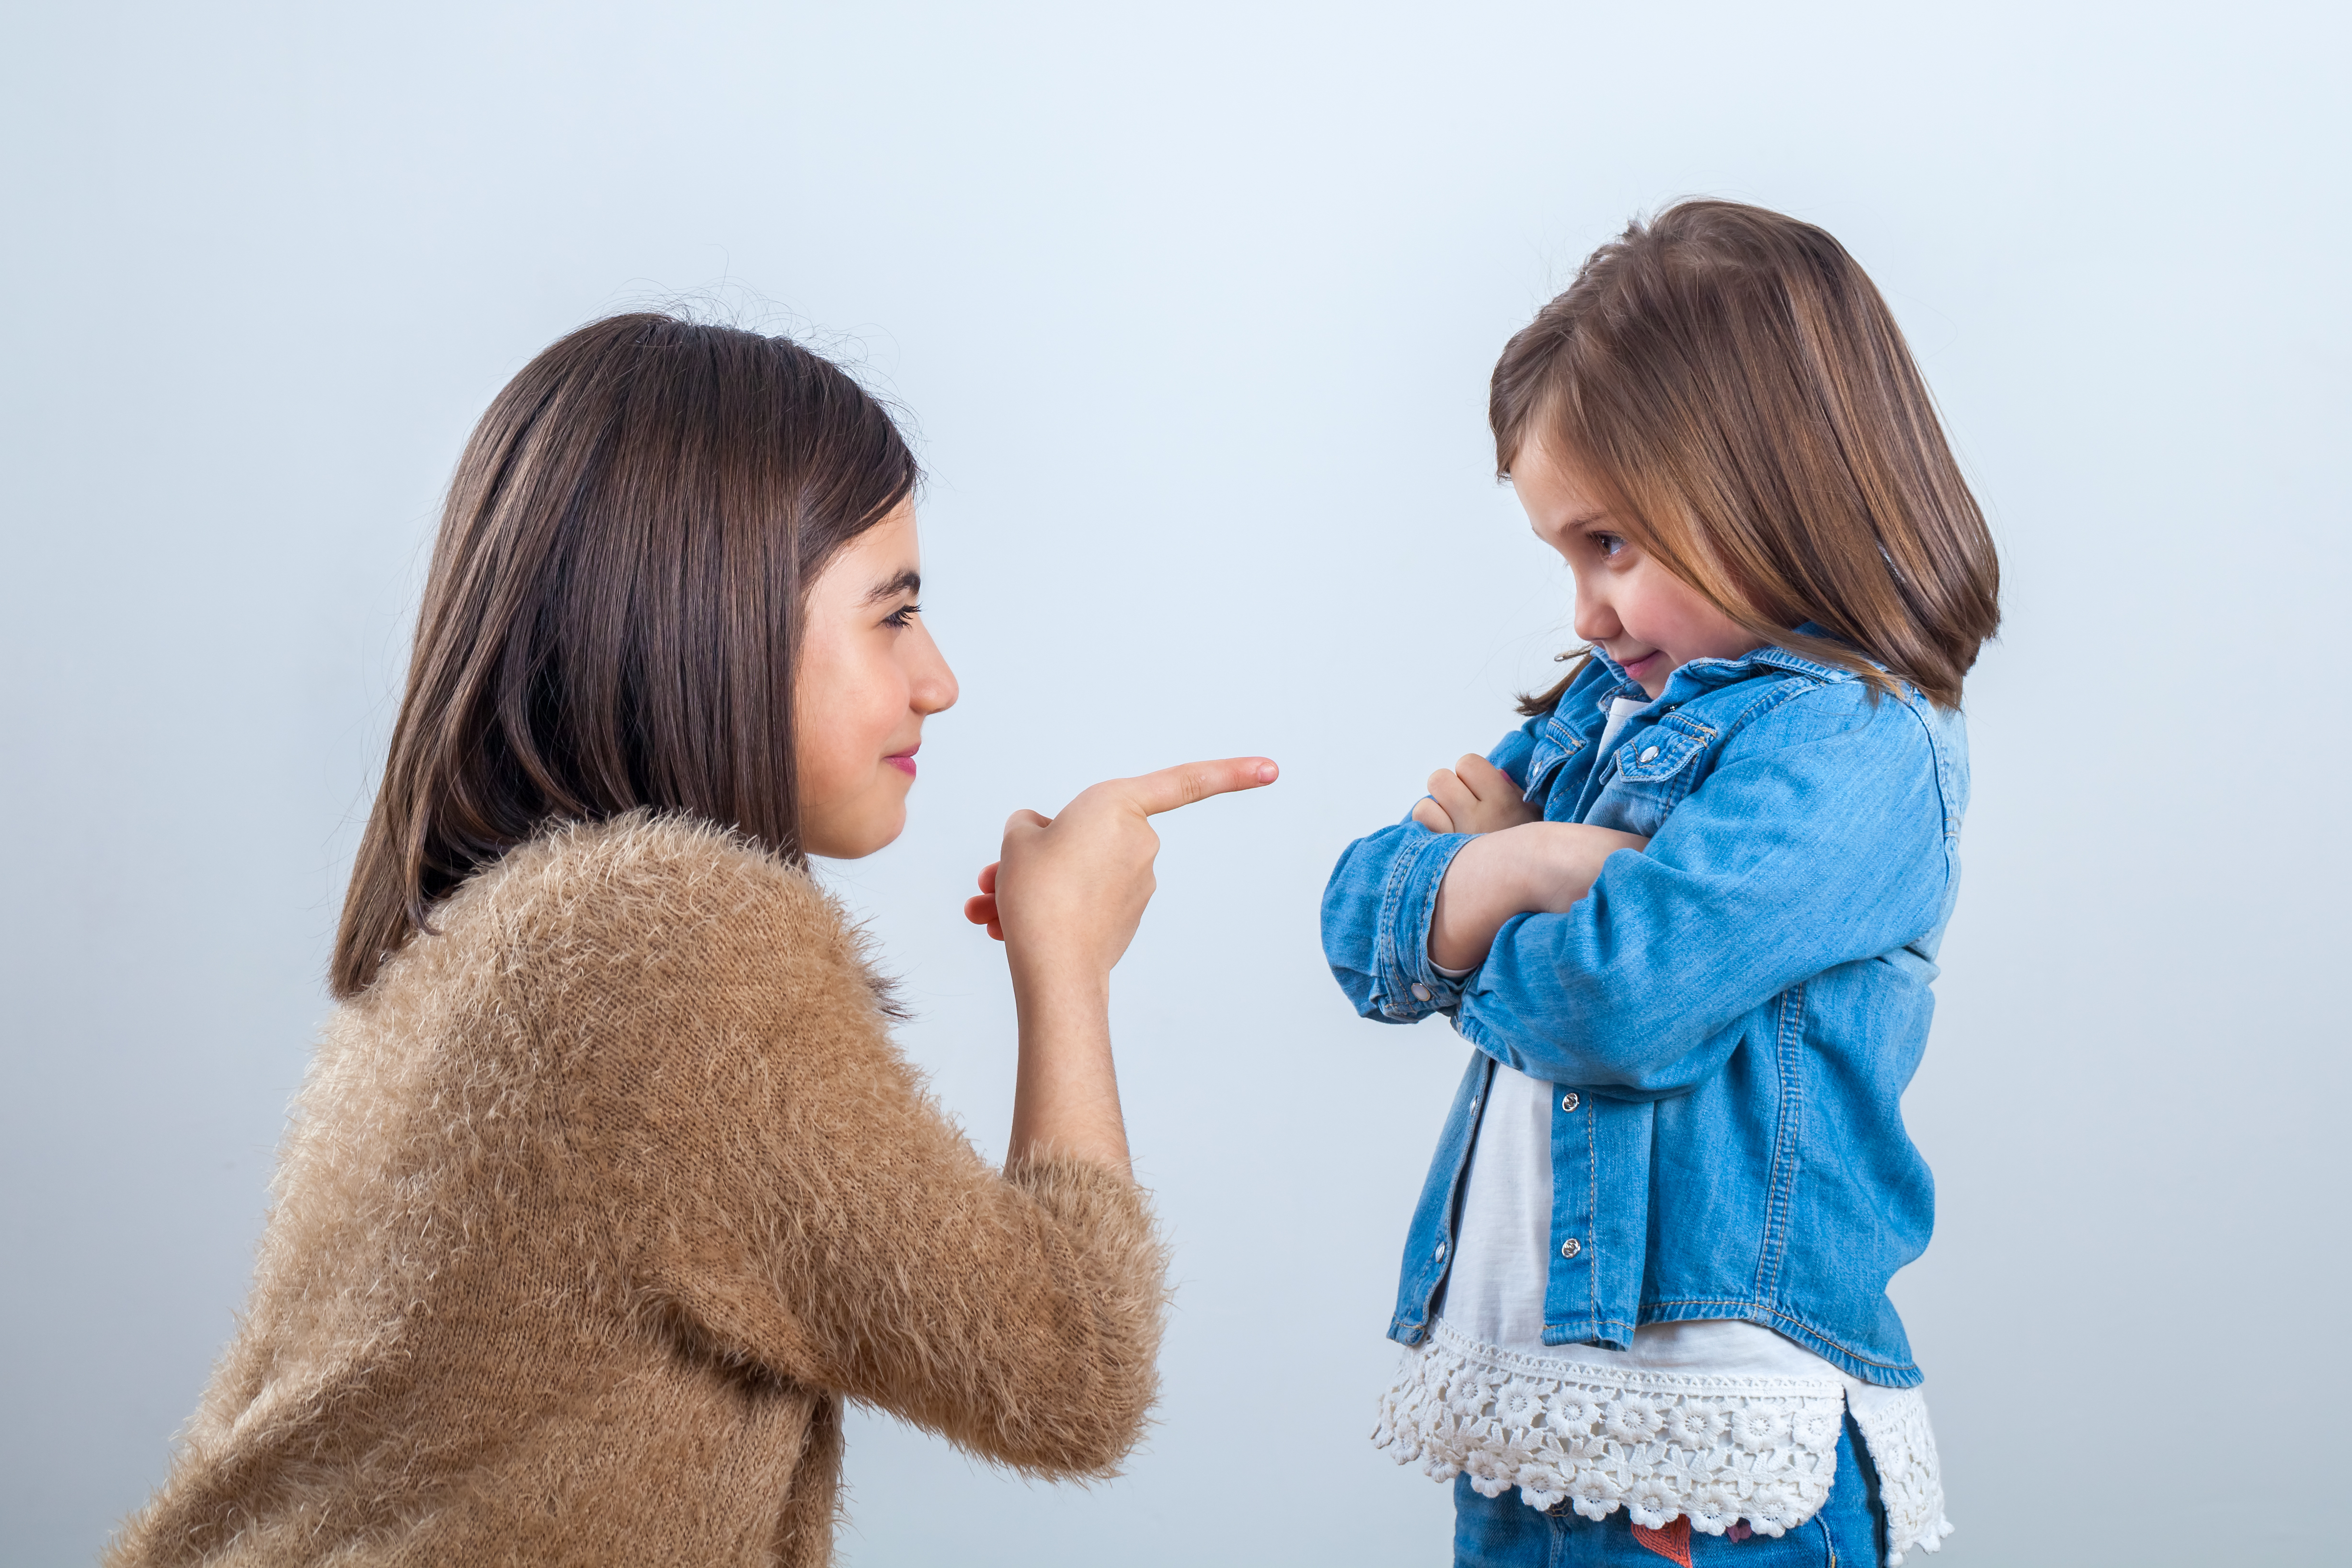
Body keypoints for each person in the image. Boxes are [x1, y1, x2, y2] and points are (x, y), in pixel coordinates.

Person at [107, 313, 1275, 1566]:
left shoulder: (494, 934)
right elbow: (1069, 1368)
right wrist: (1066, 962)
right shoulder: (661, 950)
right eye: (894, 614)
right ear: (716, 621)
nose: (938, 678)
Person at [1321, 201, 1999, 1568]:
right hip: (1541, 1408)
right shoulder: (1603, 713)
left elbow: (1616, 1000)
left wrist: (1470, 902)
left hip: (1717, 1441)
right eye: (1564, 556)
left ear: (1773, 483)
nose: (1584, 613)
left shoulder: (1856, 743)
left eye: (1610, 545)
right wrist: (1536, 858)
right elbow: (1357, 918)